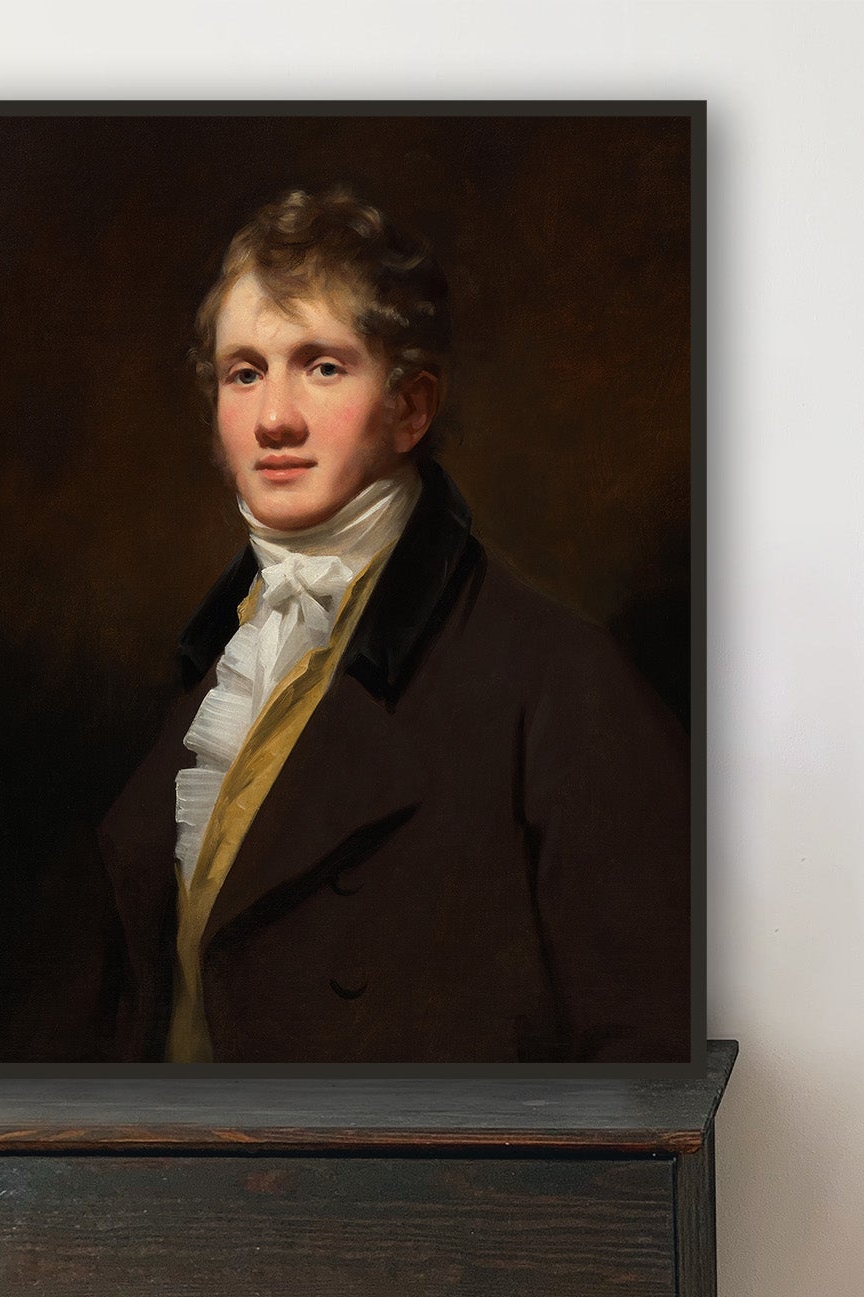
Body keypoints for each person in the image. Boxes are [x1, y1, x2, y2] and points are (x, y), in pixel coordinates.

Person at [96, 186, 690, 1063]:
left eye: (323, 365)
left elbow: (644, 1060)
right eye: (245, 371)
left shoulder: (559, 683)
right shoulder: (218, 667)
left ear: (410, 407)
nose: (274, 418)